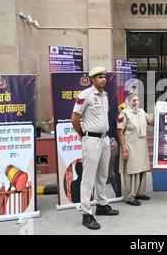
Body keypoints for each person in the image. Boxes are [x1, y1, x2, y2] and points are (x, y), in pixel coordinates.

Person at [71, 66, 119, 230]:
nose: (103, 79)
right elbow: (75, 118)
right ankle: (86, 213)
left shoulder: (105, 96)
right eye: (100, 77)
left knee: (103, 174)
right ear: (92, 79)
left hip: (104, 139)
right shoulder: (86, 95)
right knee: (88, 177)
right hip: (91, 140)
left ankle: (102, 205)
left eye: (105, 77)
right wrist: (83, 135)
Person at [117, 93, 154, 206]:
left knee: (142, 170)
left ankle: (139, 193)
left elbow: (152, 122)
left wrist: (157, 110)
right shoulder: (123, 114)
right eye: (133, 100)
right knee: (132, 171)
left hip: (141, 147)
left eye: (137, 100)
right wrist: (124, 149)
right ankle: (130, 196)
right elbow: (120, 132)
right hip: (130, 147)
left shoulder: (142, 112)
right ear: (128, 102)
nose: (136, 102)